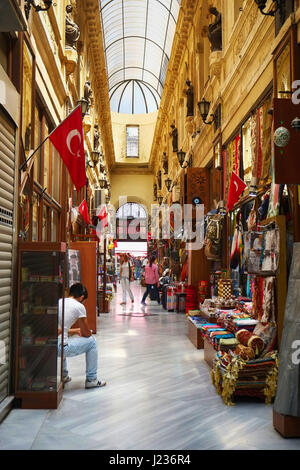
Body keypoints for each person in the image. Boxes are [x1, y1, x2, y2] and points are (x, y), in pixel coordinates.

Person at [58, 283, 106, 389]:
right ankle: (91, 379)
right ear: (81, 297)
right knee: (92, 342)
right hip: (61, 348)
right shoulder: (79, 307)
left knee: (63, 338)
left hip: (49, 345)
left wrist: (75, 331)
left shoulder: (59, 302)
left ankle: (64, 375)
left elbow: (60, 330)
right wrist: (86, 331)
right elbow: (86, 334)